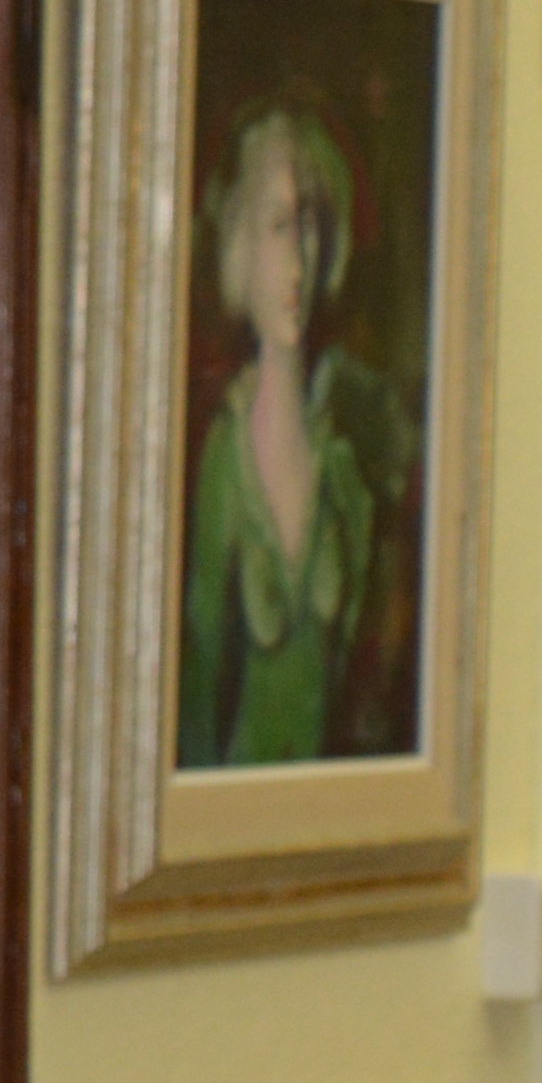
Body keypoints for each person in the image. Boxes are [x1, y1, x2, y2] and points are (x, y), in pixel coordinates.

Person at [180, 96, 418, 769]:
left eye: (311, 226)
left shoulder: (345, 461)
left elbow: (377, 684)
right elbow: (195, 707)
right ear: (241, 246)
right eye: (280, 226)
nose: (299, 262)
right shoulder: (220, 463)